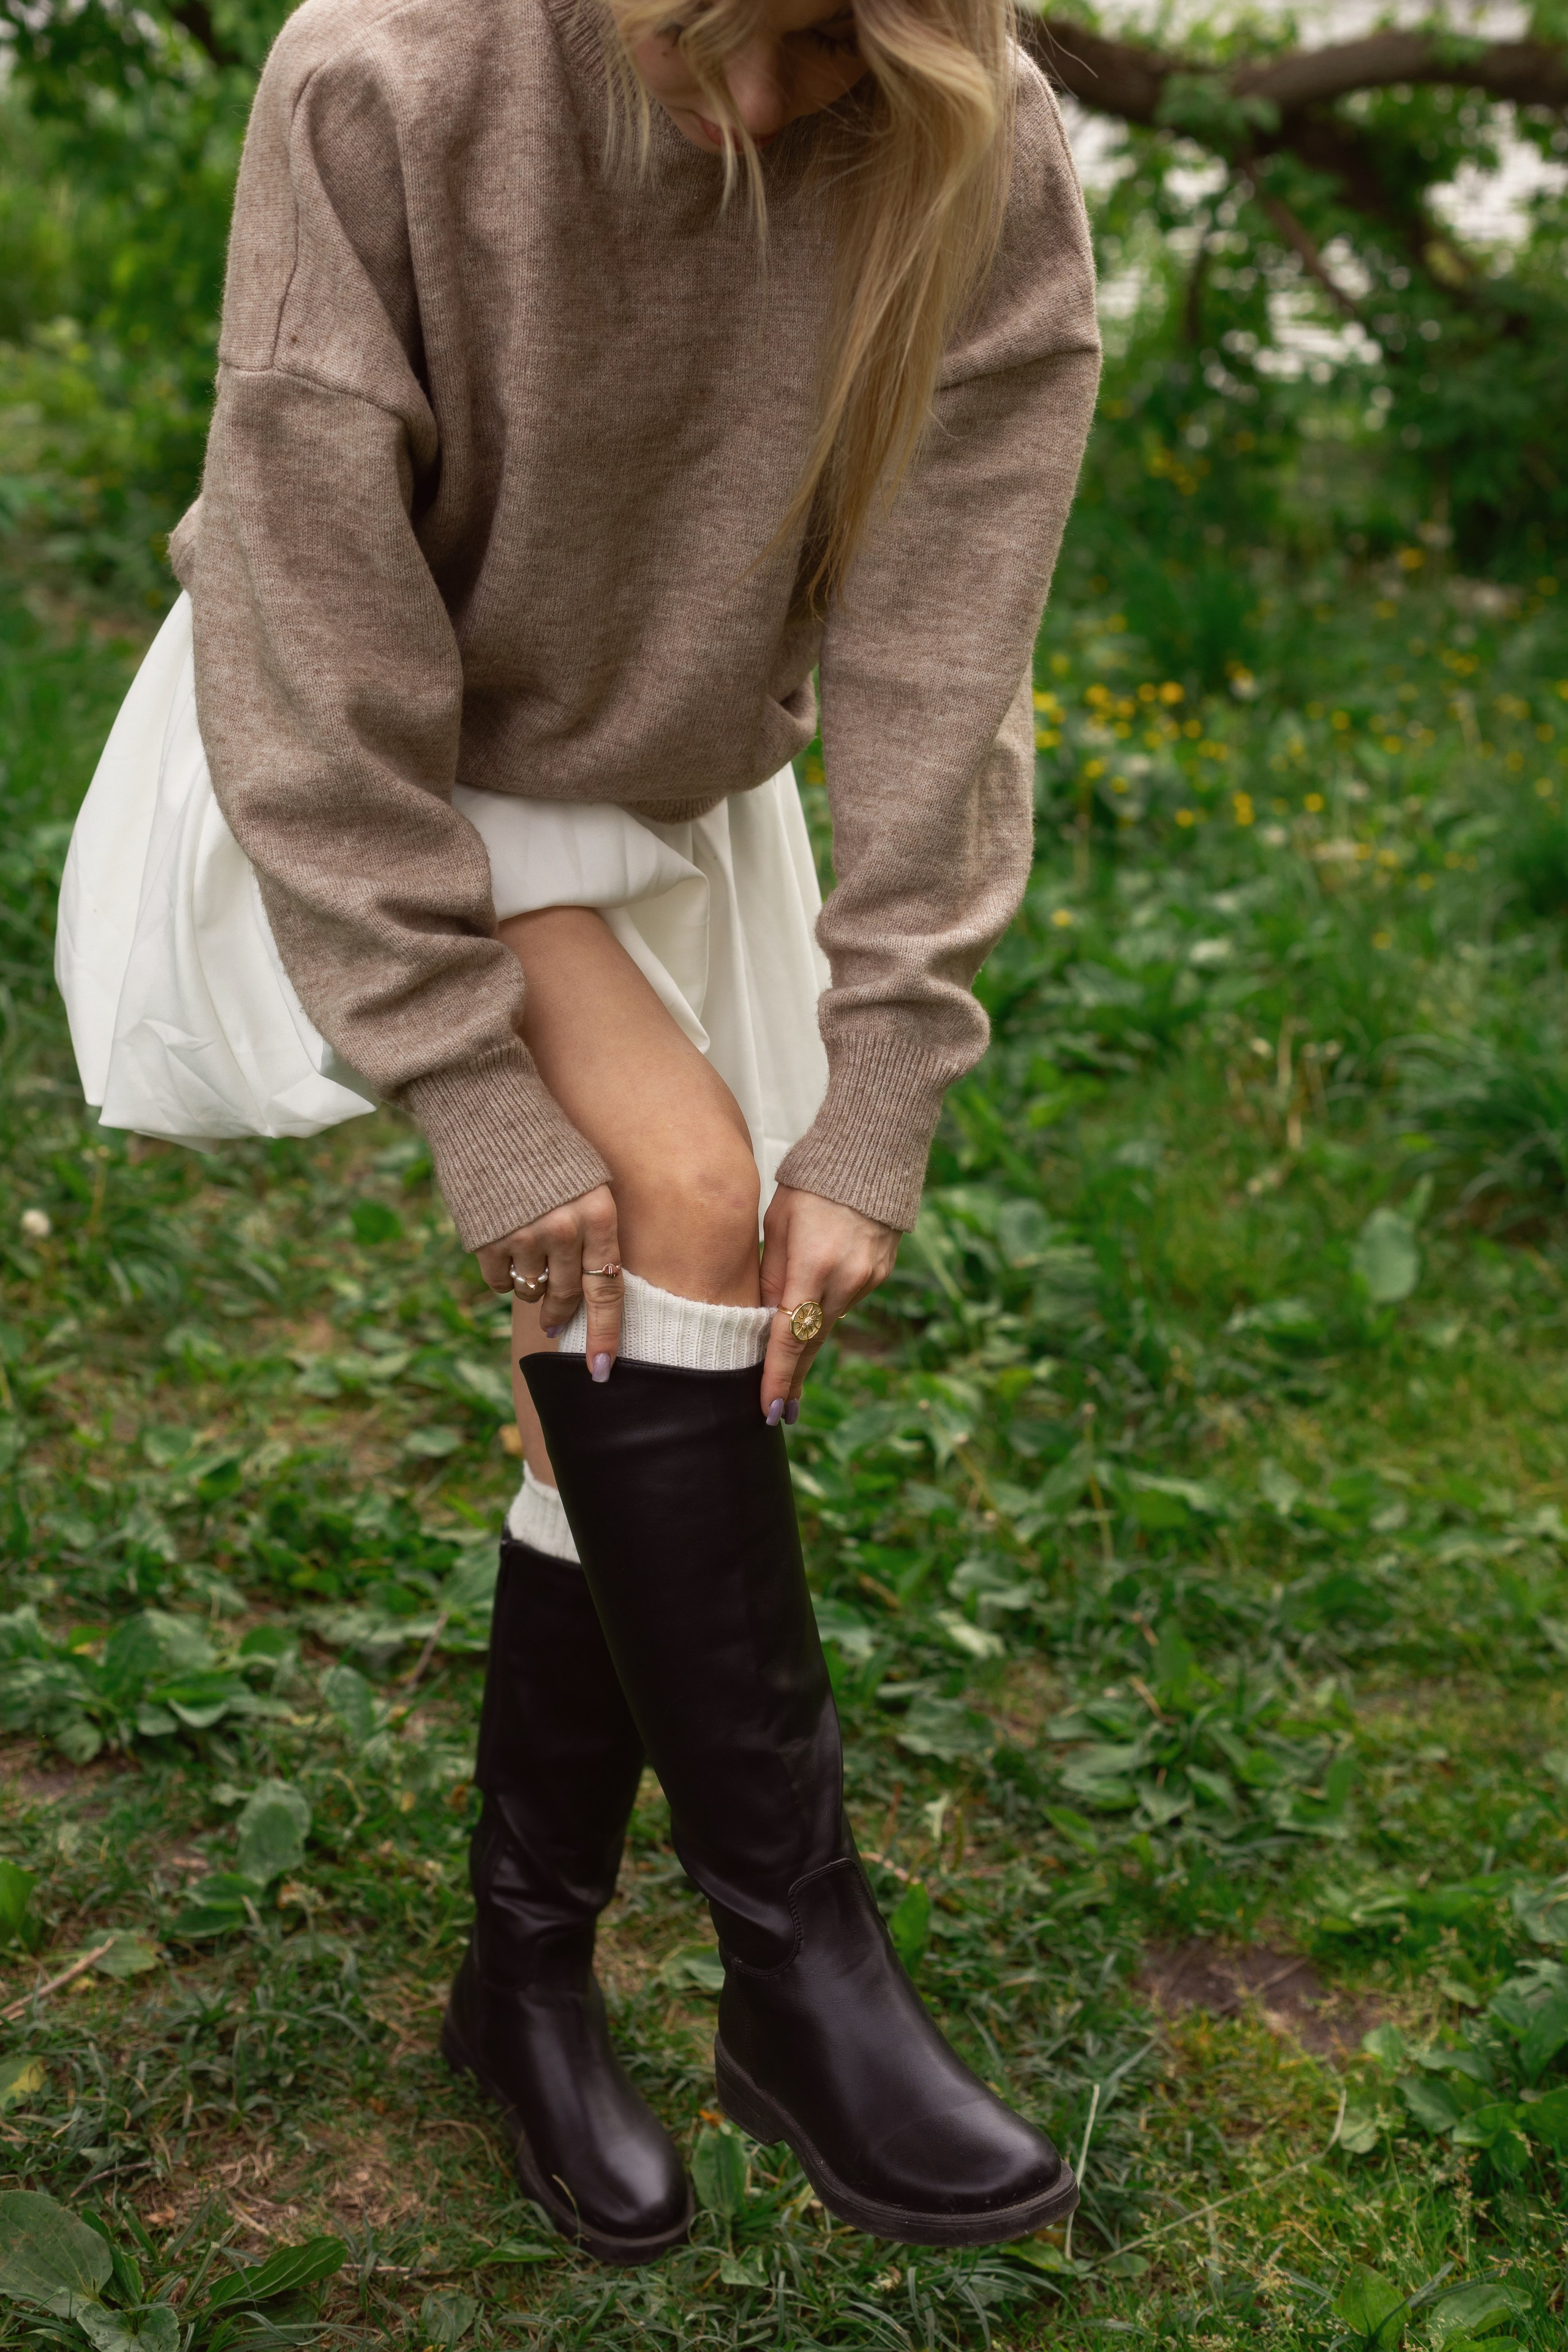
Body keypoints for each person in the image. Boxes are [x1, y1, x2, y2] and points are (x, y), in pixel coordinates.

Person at [170, 0, 1101, 2266]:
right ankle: (805, 1973)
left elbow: (943, 647)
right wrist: (468, 1067)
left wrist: (887, 1077)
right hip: (372, 762)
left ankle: (525, 1978)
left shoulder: (981, 135)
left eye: (823, 35)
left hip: (681, 784)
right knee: (679, 1205)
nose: (766, 96)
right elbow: (308, 605)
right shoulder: (386, 74)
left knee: (610, 1386)